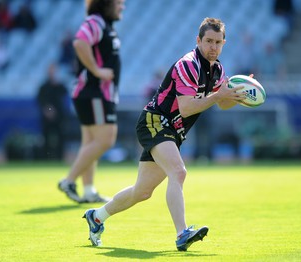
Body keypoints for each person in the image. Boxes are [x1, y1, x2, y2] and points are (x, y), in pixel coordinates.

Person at [82, 17, 247, 251]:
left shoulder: (217, 69)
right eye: (208, 41)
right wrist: (219, 96)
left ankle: (96, 216)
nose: (213, 47)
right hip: (155, 120)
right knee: (178, 172)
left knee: (142, 191)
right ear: (198, 40)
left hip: (173, 130)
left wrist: (239, 95)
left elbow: (222, 104)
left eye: (218, 42)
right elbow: (188, 107)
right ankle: (182, 233)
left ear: (224, 43)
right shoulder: (188, 64)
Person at [58, 0, 125, 203]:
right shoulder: (96, 21)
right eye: (119, 3)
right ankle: (69, 180)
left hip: (93, 92)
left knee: (90, 142)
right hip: (94, 91)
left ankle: (88, 190)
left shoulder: (105, 24)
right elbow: (79, 42)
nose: (122, 6)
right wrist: (96, 70)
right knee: (106, 139)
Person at [36, 63, 68, 161]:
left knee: (61, 137)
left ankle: (59, 158)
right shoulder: (44, 87)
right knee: (46, 137)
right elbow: (42, 101)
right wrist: (49, 111)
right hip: (47, 117)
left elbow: (64, 97)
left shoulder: (60, 85)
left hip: (59, 117)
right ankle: (46, 158)